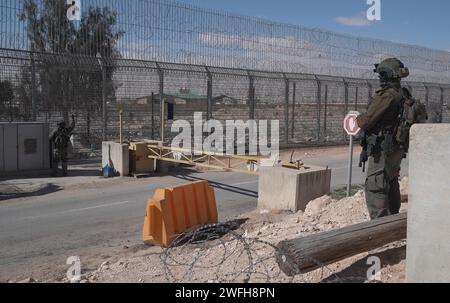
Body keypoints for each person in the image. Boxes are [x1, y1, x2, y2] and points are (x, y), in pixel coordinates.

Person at [357, 58, 412, 220]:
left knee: (376, 184)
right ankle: (392, 221)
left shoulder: (387, 95)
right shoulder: (404, 94)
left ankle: (380, 225)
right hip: (396, 146)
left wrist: (358, 119)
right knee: (391, 179)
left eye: (381, 74)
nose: (379, 77)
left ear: (386, 75)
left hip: (383, 148)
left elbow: (366, 121)